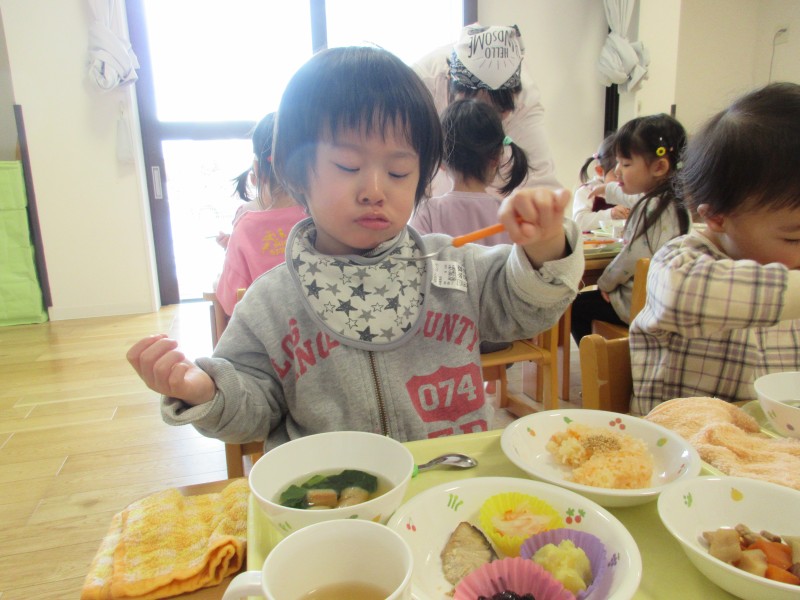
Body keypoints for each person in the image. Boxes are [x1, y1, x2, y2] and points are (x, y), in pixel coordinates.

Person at [126, 46, 584, 450]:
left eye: (399, 172)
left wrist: (545, 245)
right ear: (296, 170)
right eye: (348, 165)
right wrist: (205, 391)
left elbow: (525, 308)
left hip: (449, 490)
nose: (374, 190)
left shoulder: (451, 267)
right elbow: (254, 407)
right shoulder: (271, 302)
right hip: (336, 502)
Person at [629, 82, 800, 415]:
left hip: (776, 438)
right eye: (794, 238)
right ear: (717, 216)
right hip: (684, 438)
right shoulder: (679, 264)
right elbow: (684, 292)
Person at [570, 114, 690, 343]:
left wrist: (605, 282)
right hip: (664, 301)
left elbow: (632, 258)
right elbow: (631, 197)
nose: (618, 170)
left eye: (625, 164)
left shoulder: (649, 207)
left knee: (576, 307)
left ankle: (599, 360)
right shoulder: (672, 201)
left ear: (659, 167)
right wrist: (607, 190)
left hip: (639, 303)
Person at [414, 23, 560, 198]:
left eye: (496, 112)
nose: (482, 122)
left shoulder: (524, 102)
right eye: (472, 108)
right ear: (450, 82)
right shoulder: (421, 88)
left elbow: (541, 185)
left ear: (514, 96)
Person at [214, 113, 306, 316]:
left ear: (257, 170)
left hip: (265, 333)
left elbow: (231, 302)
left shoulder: (245, 227)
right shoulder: (325, 219)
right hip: (322, 332)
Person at [410, 98, 530, 245]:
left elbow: (411, 255)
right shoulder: (509, 214)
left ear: (441, 161)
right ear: (496, 158)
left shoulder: (427, 212)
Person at [571, 133, 636, 232]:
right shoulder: (587, 191)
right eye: (616, 175)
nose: (622, 179)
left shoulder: (632, 192)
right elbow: (579, 222)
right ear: (600, 171)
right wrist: (610, 214)